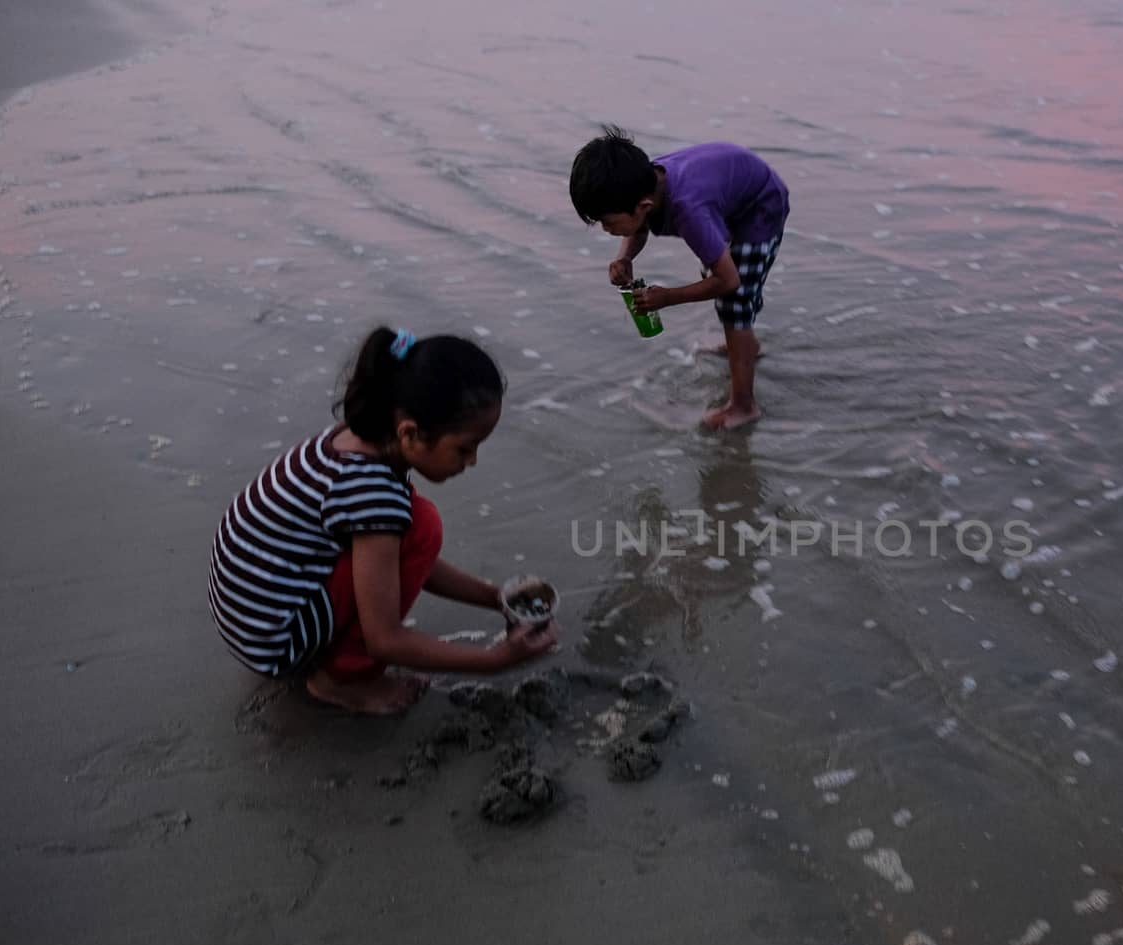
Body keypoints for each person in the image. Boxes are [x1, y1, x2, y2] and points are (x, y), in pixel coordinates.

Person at [206, 327, 558, 715]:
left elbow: (398, 558)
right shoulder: (373, 494)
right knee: (423, 525)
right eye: (464, 448)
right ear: (409, 433)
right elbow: (385, 641)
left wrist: (495, 598)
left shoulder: (350, 441)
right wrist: (494, 660)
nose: (471, 461)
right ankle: (339, 681)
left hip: (252, 617)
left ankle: (331, 662)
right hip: (277, 641)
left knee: (414, 524)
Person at [570, 125, 789, 430]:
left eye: (607, 223)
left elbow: (729, 281)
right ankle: (744, 345)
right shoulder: (644, 183)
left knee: (734, 302)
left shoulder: (690, 210)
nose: (606, 230)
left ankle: (744, 405)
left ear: (643, 205)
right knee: (727, 292)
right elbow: (640, 226)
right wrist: (625, 257)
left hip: (761, 208)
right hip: (731, 194)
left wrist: (667, 297)